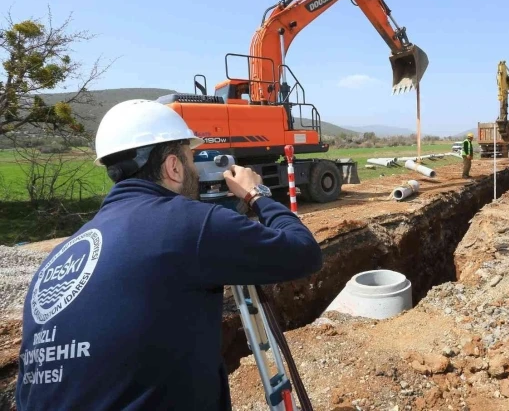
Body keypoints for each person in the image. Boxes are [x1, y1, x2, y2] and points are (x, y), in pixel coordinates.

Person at [15, 99, 323, 410]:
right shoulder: (189, 222)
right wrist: (256, 194)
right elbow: (304, 252)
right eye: (191, 159)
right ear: (173, 167)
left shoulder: (59, 256)